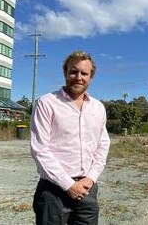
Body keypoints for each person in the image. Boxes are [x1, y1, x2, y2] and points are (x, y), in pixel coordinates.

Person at [30, 51, 110, 225]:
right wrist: (68, 185)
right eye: (74, 71)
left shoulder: (97, 107)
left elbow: (102, 145)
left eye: (84, 73)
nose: (78, 77)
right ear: (65, 72)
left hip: (87, 189)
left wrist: (91, 177)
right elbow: (39, 149)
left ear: (91, 77)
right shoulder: (47, 103)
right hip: (53, 190)